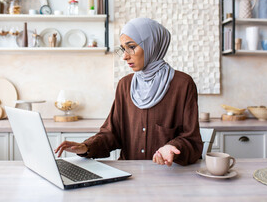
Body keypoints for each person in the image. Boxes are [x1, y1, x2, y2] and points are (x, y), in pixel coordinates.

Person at [55, 18, 203, 166]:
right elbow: (112, 133)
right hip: (129, 174)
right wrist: (86, 147)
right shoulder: (125, 85)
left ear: (152, 45)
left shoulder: (183, 85)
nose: (125, 56)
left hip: (167, 175)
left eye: (131, 47)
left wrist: (173, 147)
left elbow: (191, 140)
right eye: (123, 49)